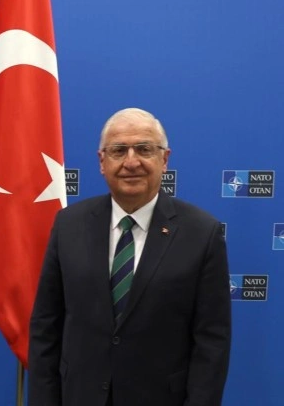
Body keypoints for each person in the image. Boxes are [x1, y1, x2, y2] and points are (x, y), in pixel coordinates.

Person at [28, 108, 231, 406]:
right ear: (102, 162)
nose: (131, 162)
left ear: (164, 159)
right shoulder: (69, 225)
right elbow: (46, 327)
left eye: (144, 149)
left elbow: (212, 343)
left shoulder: (202, 233)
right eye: (119, 150)